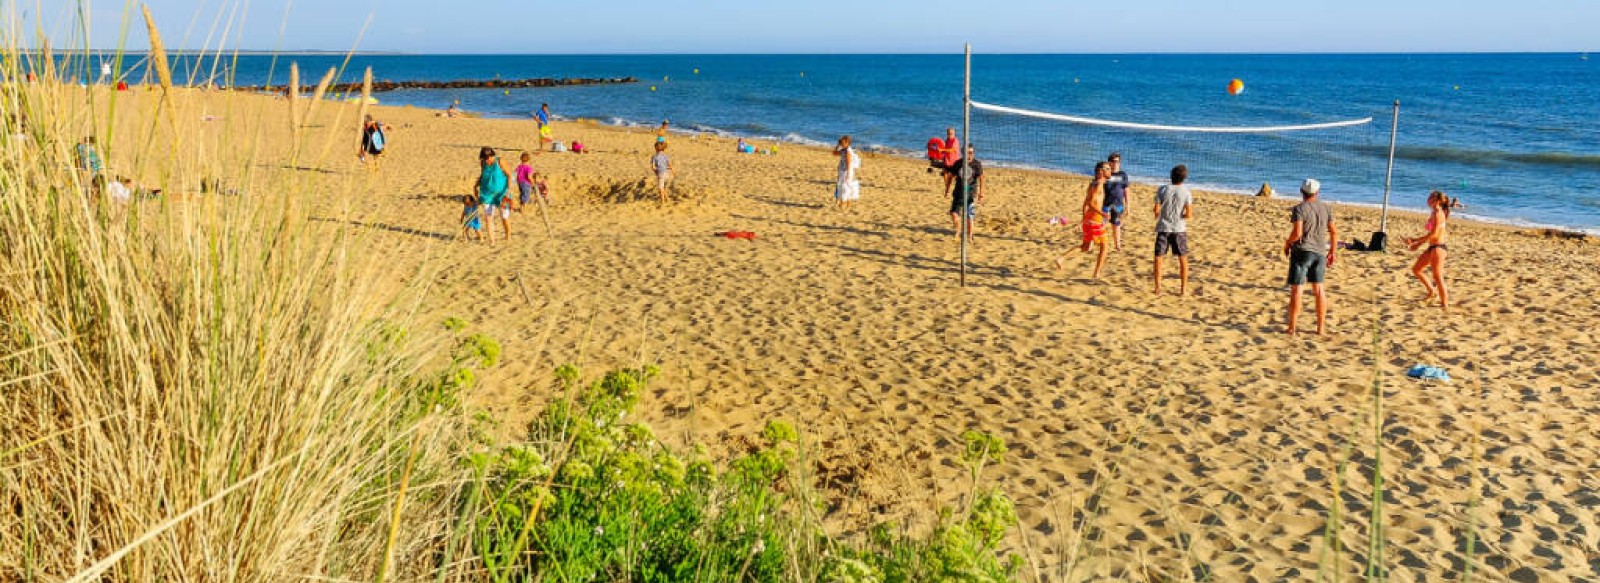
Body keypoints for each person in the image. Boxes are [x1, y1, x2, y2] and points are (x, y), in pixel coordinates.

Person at [1284, 178, 1337, 335]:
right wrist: (1332, 251)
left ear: (1301, 191)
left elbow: (1297, 233)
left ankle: (1292, 327)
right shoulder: (1326, 209)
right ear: (1317, 192)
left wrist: (1287, 243)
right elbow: (1334, 232)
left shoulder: (1299, 209)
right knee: (1319, 289)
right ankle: (1320, 328)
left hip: (1302, 251)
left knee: (1297, 289)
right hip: (1319, 252)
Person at [1054, 162, 1111, 279]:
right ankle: (1097, 274)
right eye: (1108, 169)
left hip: (1089, 219)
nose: (1110, 170)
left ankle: (1061, 258)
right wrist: (1103, 213)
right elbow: (1090, 203)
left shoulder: (1092, 184)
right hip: (1096, 219)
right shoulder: (1099, 184)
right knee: (1105, 246)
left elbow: (1085, 203)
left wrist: (1083, 219)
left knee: (1086, 247)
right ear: (1101, 172)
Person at [1404, 190, 1454, 311]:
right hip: (1432, 247)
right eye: (1429, 196)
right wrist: (1417, 243)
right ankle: (1432, 291)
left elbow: (1434, 234)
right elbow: (1430, 234)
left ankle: (1445, 304)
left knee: (1437, 276)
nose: (1428, 198)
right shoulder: (1434, 212)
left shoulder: (1438, 214)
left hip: (1438, 248)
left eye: (1431, 197)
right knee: (1416, 269)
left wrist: (1416, 241)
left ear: (1437, 201)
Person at [1151, 164, 1194, 296]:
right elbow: (1189, 215)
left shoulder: (1163, 189)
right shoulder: (1186, 192)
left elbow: (1156, 211)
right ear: (1184, 178)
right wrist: (1180, 215)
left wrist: (1161, 214)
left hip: (1163, 227)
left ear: (1171, 176)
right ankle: (1183, 289)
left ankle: (1158, 288)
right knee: (1183, 258)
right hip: (1179, 228)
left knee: (1159, 258)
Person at [943, 145, 984, 240]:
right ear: (963, 153)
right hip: (958, 192)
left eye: (971, 152)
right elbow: (950, 177)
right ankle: (958, 231)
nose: (970, 155)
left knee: (969, 216)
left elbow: (982, 179)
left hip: (970, 193)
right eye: (968, 153)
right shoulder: (958, 164)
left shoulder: (976, 164)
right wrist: (947, 190)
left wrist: (981, 194)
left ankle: (970, 235)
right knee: (954, 214)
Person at [475, 147, 512, 242]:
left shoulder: (500, 161)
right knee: (488, 217)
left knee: (504, 216)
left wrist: (508, 190)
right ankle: (492, 241)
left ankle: (508, 236)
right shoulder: (483, 163)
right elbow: (482, 175)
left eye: (489, 157)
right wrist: (476, 185)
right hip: (487, 193)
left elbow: (509, 175)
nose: (487, 159)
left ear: (492, 155)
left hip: (502, 193)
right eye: (485, 158)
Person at [1104, 152, 1131, 251]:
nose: (1116, 163)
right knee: (1101, 224)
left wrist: (1128, 206)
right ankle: (1097, 242)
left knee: (1116, 224)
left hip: (1118, 204)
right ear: (1109, 162)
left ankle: (1117, 245)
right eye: (1113, 161)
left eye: (1117, 161)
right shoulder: (1105, 174)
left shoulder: (1123, 175)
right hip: (1106, 203)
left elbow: (1126, 190)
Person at [833, 135, 861, 211]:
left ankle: (845, 206)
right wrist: (837, 145)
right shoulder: (843, 150)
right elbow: (834, 153)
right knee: (844, 188)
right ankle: (846, 205)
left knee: (845, 188)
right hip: (842, 171)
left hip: (846, 172)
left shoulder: (848, 151)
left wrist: (848, 174)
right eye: (840, 143)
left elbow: (849, 164)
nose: (841, 144)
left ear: (847, 143)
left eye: (842, 143)